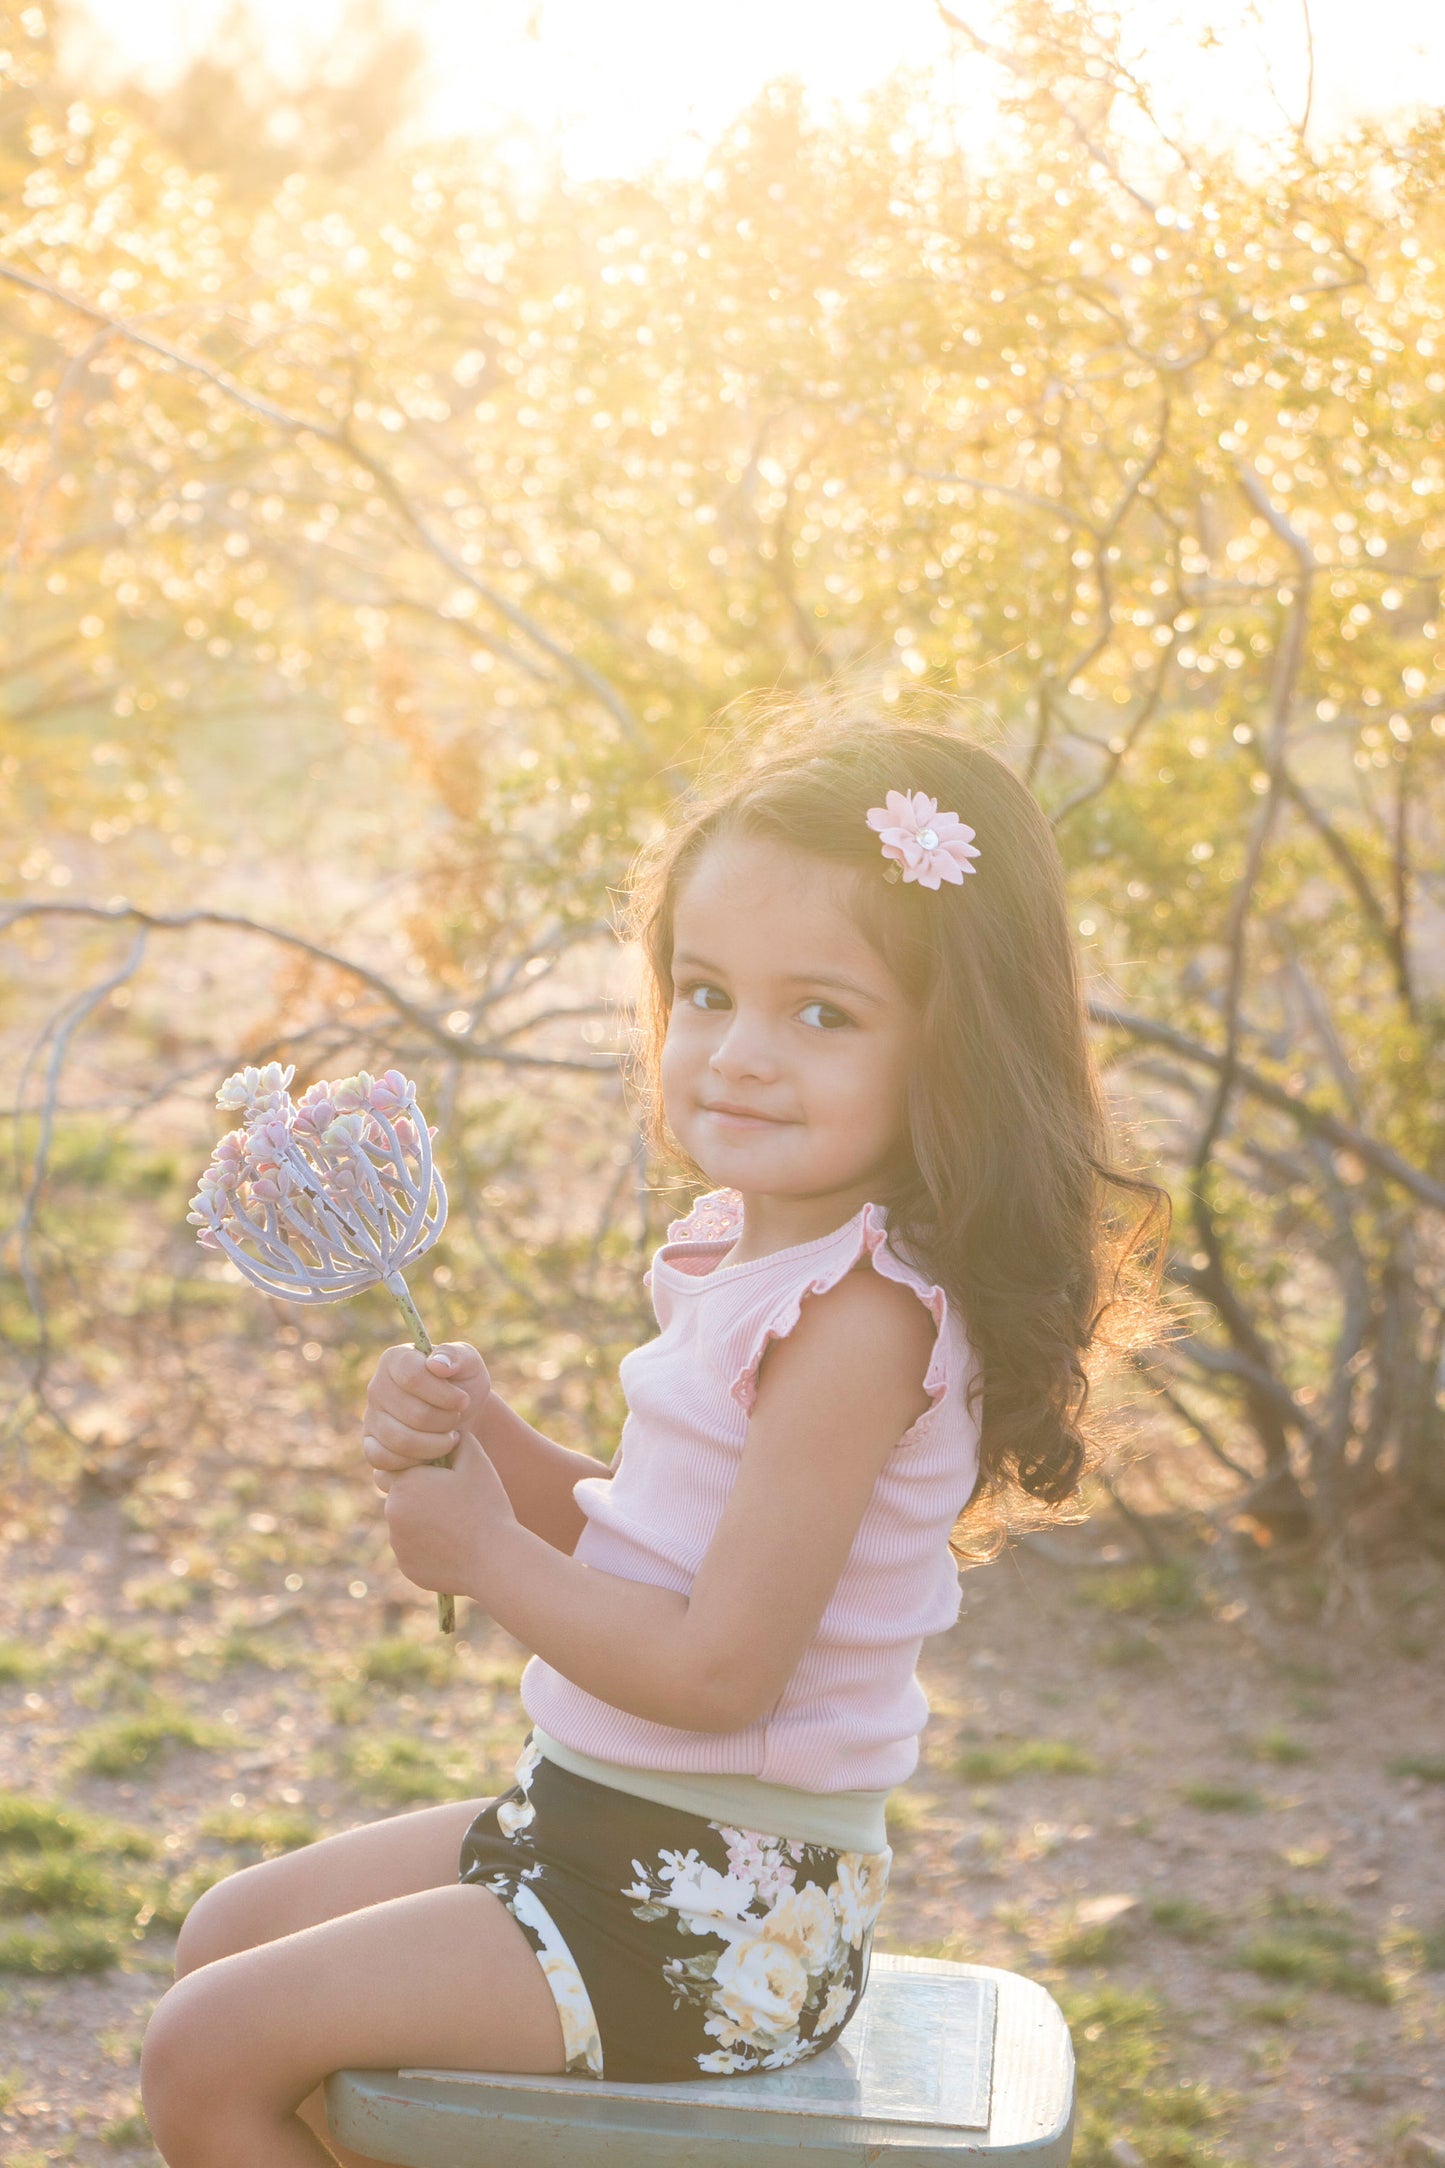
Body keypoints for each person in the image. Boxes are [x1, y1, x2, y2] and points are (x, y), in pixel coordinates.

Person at [141, 715, 1165, 2166]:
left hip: (723, 1906)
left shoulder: (857, 1321)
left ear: (954, 1044)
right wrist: (491, 1442)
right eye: (703, 993)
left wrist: (486, 1555)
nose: (739, 1054)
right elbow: (651, 1543)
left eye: (822, 1013)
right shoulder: (750, 1259)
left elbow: (716, 1668)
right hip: (597, 1826)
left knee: (207, 2055)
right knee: (226, 1934)